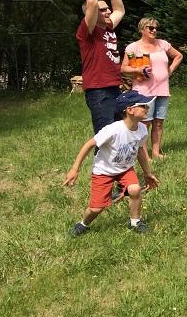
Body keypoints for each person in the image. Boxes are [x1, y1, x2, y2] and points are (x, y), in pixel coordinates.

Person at [64, 90, 160, 236]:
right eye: (143, 106)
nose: (147, 108)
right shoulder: (113, 130)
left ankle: (135, 222)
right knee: (96, 209)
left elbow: (140, 150)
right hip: (104, 171)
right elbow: (88, 145)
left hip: (125, 169)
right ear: (130, 110)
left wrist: (147, 173)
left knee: (134, 189)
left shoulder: (142, 129)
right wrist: (74, 169)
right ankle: (83, 224)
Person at [123, 17, 184, 160]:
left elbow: (179, 56)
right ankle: (144, 156)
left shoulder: (163, 44)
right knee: (145, 123)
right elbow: (124, 68)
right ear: (142, 29)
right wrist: (137, 70)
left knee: (159, 122)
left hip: (162, 89)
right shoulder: (133, 47)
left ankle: (156, 152)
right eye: (151, 28)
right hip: (143, 92)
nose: (154, 30)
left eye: (156, 28)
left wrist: (170, 70)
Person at [76, 0, 126, 134]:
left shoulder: (108, 27)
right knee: (105, 136)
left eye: (107, 9)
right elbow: (91, 3)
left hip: (114, 87)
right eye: (103, 10)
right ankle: (100, 160)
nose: (108, 12)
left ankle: (117, 160)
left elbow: (120, 10)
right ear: (92, 14)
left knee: (119, 133)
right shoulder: (87, 32)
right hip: (98, 90)